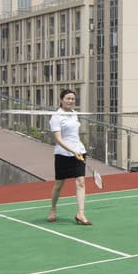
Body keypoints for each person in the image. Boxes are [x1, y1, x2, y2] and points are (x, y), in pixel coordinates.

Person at [48, 88, 91, 226]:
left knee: (81, 182)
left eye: (73, 99)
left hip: (79, 152)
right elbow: (58, 139)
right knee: (59, 185)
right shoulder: (56, 117)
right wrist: (72, 151)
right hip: (63, 154)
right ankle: (53, 208)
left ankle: (80, 213)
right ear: (61, 100)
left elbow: (75, 135)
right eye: (68, 98)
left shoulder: (74, 114)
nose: (70, 101)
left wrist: (77, 150)